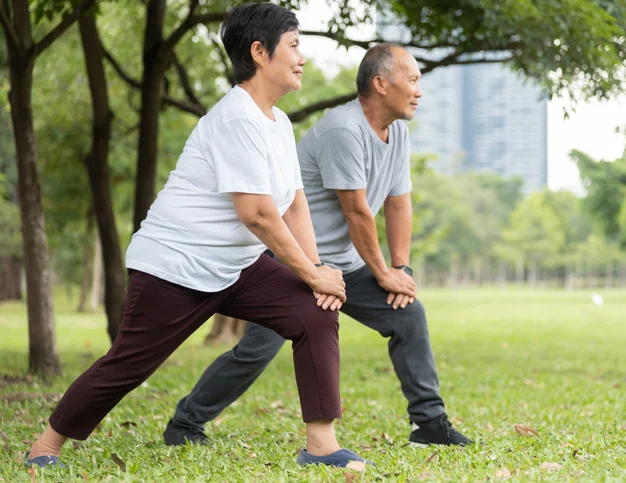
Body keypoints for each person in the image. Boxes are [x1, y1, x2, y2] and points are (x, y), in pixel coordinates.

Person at [25, 2, 369, 471]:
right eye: (294, 46)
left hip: (237, 266)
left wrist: (318, 276)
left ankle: (322, 447)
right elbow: (259, 216)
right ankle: (44, 447)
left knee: (314, 310)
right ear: (260, 52)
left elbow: (293, 205)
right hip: (175, 264)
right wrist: (312, 271)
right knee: (129, 363)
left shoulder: (279, 123)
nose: (302, 57)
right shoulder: (236, 118)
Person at [164, 44, 473, 448]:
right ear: (381, 84)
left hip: (347, 264)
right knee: (258, 349)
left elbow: (398, 202)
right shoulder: (344, 130)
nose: (418, 90)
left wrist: (402, 270)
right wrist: (383, 273)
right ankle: (185, 424)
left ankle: (430, 424)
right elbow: (357, 213)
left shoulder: (396, 132)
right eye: (412, 80)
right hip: (296, 262)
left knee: (408, 316)